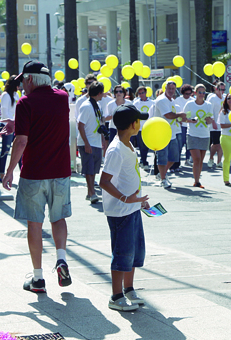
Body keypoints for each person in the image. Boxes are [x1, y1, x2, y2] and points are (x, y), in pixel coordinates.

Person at [1, 61, 73, 292]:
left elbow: (22, 140)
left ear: (30, 79)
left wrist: (9, 169)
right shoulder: (62, 98)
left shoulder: (25, 103)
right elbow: (49, 120)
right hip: (60, 170)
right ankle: (61, 258)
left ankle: (38, 278)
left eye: (23, 80)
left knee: (35, 224)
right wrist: (18, 122)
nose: (21, 85)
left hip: (34, 173)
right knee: (58, 218)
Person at [99, 104, 151, 311]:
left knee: (134, 252)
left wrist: (138, 199)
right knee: (122, 253)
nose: (140, 123)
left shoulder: (128, 145)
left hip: (132, 208)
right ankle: (116, 295)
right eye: (139, 120)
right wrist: (124, 198)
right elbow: (104, 181)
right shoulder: (116, 150)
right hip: (121, 211)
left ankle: (129, 289)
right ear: (132, 124)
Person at [151, 80, 186, 188]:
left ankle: (162, 174)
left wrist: (183, 119)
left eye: (173, 89)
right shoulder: (161, 100)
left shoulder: (171, 100)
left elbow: (173, 116)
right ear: (165, 88)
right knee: (162, 157)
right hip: (161, 133)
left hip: (172, 132)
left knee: (174, 157)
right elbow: (167, 115)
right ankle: (163, 179)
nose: (171, 91)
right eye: (169, 88)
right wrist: (179, 114)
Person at [77, 81, 105, 203]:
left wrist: (103, 140)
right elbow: (80, 125)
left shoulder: (97, 106)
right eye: (102, 93)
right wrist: (86, 143)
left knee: (94, 169)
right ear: (99, 93)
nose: (103, 95)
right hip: (87, 142)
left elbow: (100, 124)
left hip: (96, 141)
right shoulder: (86, 106)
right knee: (89, 169)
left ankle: (91, 192)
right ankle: (91, 192)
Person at [182, 84, 213, 188]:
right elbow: (182, 118)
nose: (202, 94)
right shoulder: (190, 104)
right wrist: (191, 120)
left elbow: (210, 120)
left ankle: (197, 180)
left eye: (204, 92)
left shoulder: (208, 105)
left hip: (205, 135)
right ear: (195, 93)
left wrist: (209, 120)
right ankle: (196, 181)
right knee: (197, 159)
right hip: (192, 134)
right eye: (200, 92)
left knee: (201, 160)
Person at [0, 76, 20, 180]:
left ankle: (23, 172)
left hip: (16, 125)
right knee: (5, 150)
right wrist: (10, 122)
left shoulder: (16, 95)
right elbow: (4, 112)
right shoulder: (5, 95)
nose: (19, 87)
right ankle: (1, 173)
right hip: (7, 126)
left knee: (19, 149)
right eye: (18, 84)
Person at [173, 84, 194, 170]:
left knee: (189, 144)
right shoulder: (178, 100)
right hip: (181, 125)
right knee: (180, 144)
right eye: (186, 93)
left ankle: (187, 159)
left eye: (189, 93)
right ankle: (177, 161)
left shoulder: (193, 100)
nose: (188, 95)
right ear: (182, 93)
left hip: (189, 124)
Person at [133, 86, 154, 167]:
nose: (141, 95)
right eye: (139, 93)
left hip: (149, 127)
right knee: (142, 146)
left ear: (146, 93)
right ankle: (144, 161)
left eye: (142, 93)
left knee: (147, 145)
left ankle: (143, 160)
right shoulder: (136, 103)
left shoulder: (152, 103)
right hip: (140, 128)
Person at [207, 81, 225, 168]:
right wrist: (213, 122)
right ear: (216, 89)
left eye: (224, 90)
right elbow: (210, 111)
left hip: (222, 124)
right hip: (214, 125)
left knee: (221, 143)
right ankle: (211, 158)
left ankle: (219, 161)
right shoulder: (212, 98)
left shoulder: (225, 97)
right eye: (220, 89)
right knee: (215, 143)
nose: (222, 91)